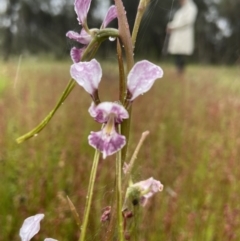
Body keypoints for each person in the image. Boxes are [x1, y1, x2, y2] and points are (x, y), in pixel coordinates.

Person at [167, 0, 198, 76]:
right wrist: (171, 25)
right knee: (178, 53)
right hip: (178, 35)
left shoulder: (191, 8)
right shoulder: (182, 9)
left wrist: (173, 26)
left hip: (183, 35)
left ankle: (180, 72)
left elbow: (187, 21)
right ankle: (178, 71)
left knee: (181, 53)